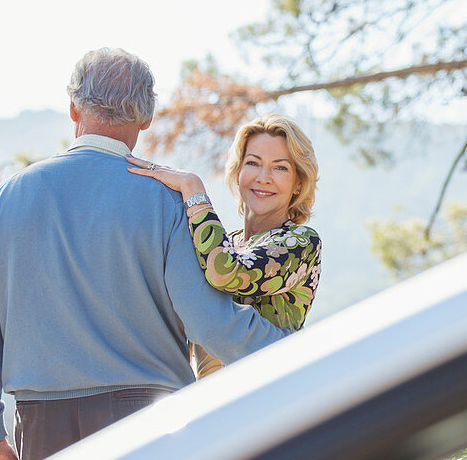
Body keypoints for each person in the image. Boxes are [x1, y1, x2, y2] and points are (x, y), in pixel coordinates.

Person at [0, 48, 289, 460]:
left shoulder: (7, 198)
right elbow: (211, 323)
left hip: (40, 424)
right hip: (150, 422)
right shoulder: (165, 200)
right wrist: (297, 351)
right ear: (146, 118)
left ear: (73, 108)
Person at [127, 113, 321, 378]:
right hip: (212, 401)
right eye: (253, 163)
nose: (264, 177)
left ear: (299, 182)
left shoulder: (301, 242)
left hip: (270, 397)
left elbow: (227, 273)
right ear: (238, 171)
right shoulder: (226, 242)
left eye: (280, 167)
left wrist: (192, 189)